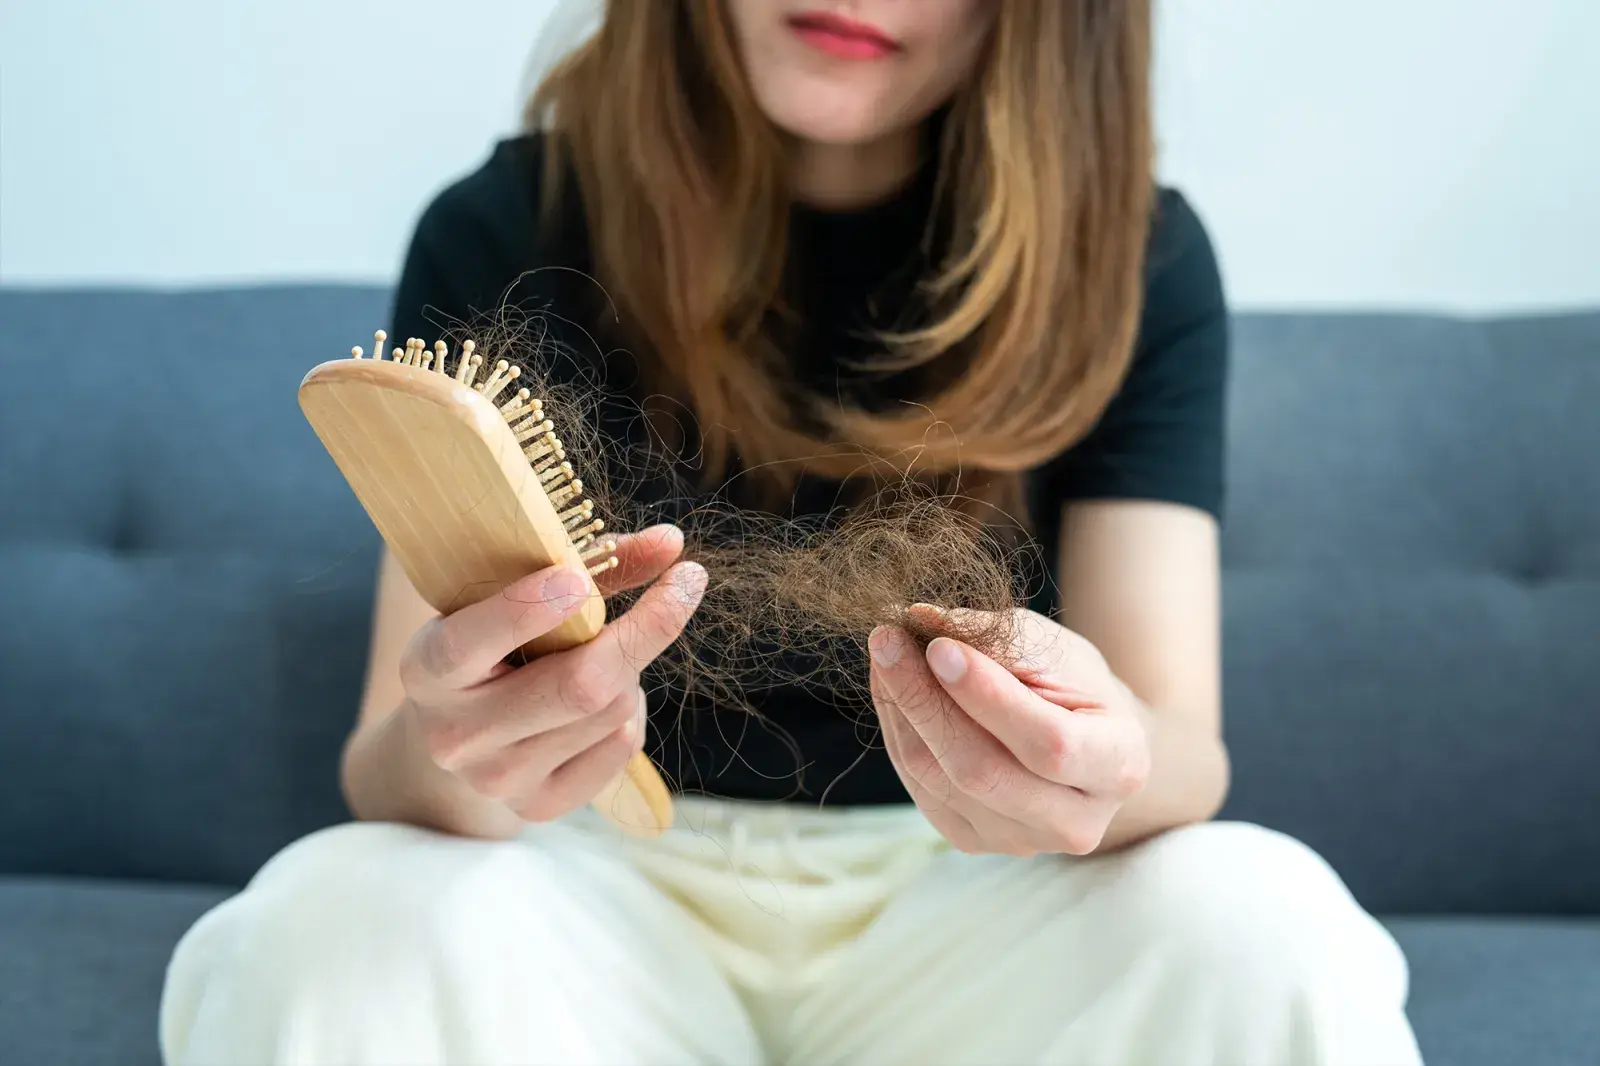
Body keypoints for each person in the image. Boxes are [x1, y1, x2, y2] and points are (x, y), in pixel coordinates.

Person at [159, 2, 1423, 1063]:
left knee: (1261, 919)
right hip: (589, 896)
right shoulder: (506, 225)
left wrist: (1097, 755)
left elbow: (1184, 752)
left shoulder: (1134, 257)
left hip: (973, 907)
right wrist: (466, 744)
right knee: (328, 916)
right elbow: (387, 768)